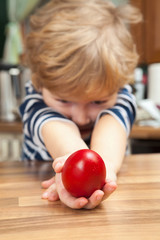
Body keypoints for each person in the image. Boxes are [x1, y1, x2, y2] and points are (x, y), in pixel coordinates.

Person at [20, 0, 142, 209]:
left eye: (98, 101)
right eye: (64, 100)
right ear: (40, 83)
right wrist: (74, 165)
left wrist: (96, 175)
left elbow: (111, 129)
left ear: (119, 85)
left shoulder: (121, 95)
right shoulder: (34, 100)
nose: (81, 117)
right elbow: (56, 128)